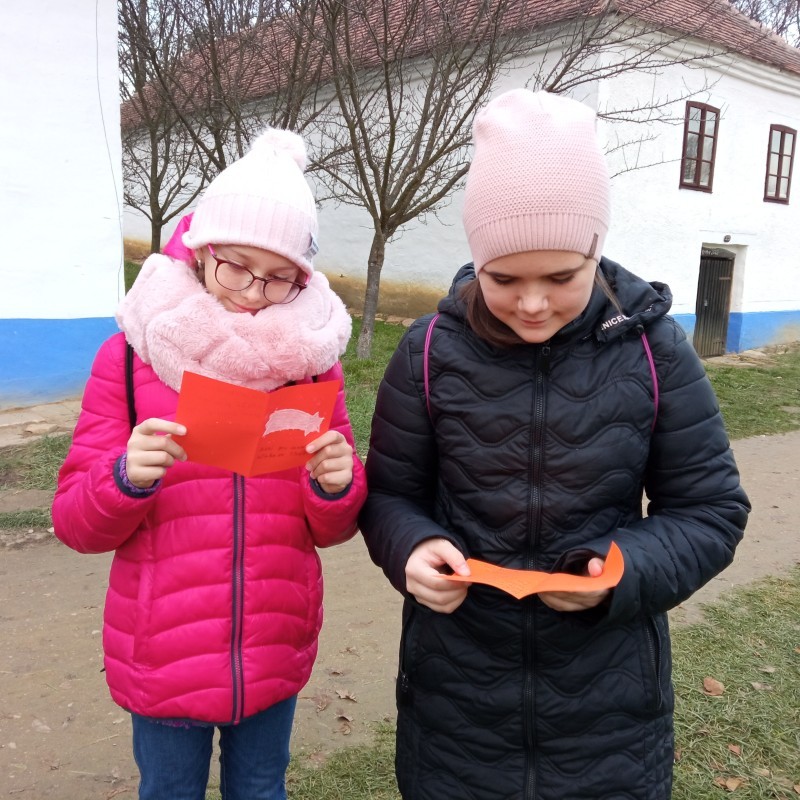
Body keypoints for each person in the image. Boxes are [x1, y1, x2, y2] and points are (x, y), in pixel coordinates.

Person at [358, 89, 750, 800]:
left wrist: (622, 572)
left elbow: (711, 511)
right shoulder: (427, 352)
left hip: (610, 713)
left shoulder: (656, 351)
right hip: (456, 709)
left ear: (595, 252)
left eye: (562, 277)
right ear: (477, 262)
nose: (532, 303)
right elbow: (389, 495)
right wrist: (410, 546)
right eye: (504, 279)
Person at [52, 128, 367, 800]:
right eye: (236, 267)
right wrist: (125, 477)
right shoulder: (132, 358)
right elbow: (76, 524)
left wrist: (337, 485)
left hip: (273, 644)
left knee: (261, 789)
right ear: (201, 251)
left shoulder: (313, 365)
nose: (253, 291)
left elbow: (332, 528)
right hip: (162, 650)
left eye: (278, 278)